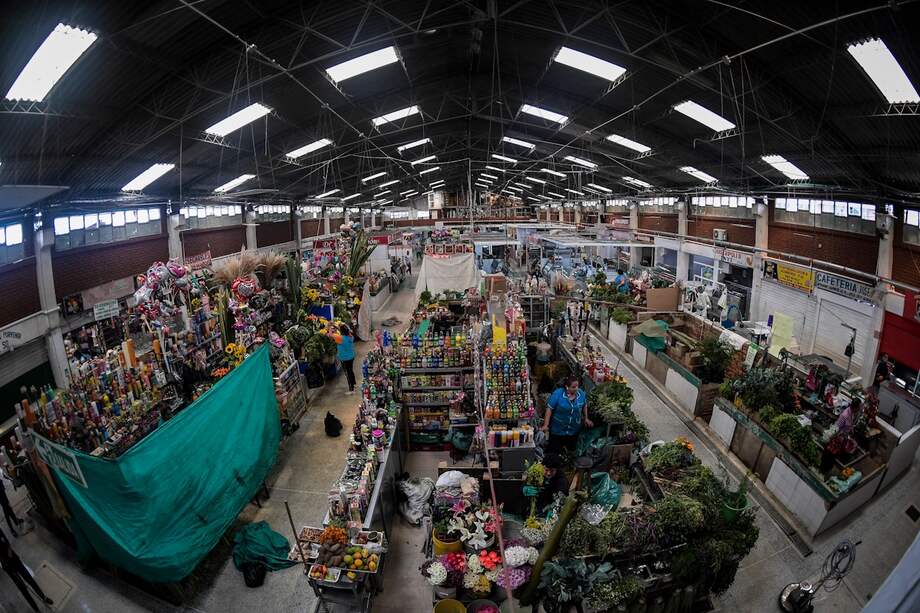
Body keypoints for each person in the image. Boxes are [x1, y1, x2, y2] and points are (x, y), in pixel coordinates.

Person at [0, 531, 53, 611]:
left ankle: (43, 597)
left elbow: (6, 540)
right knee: (23, 588)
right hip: (7, 567)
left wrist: (10, 552)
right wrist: (4, 562)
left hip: (14, 559)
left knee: (29, 579)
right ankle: (36, 609)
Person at [542, 376, 592, 455]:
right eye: (573, 387)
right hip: (558, 429)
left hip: (573, 429)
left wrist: (586, 418)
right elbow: (549, 409)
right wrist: (546, 425)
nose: (576, 389)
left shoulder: (581, 393)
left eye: (577, 386)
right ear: (567, 387)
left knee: (570, 452)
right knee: (555, 451)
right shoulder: (558, 394)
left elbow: (584, 405)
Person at [331, 324, 357, 394]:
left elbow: (330, 335)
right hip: (351, 357)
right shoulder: (351, 337)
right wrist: (337, 328)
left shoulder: (340, 338)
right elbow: (344, 332)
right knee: (350, 370)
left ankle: (351, 389)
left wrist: (330, 328)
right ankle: (354, 383)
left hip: (345, 358)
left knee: (347, 373)